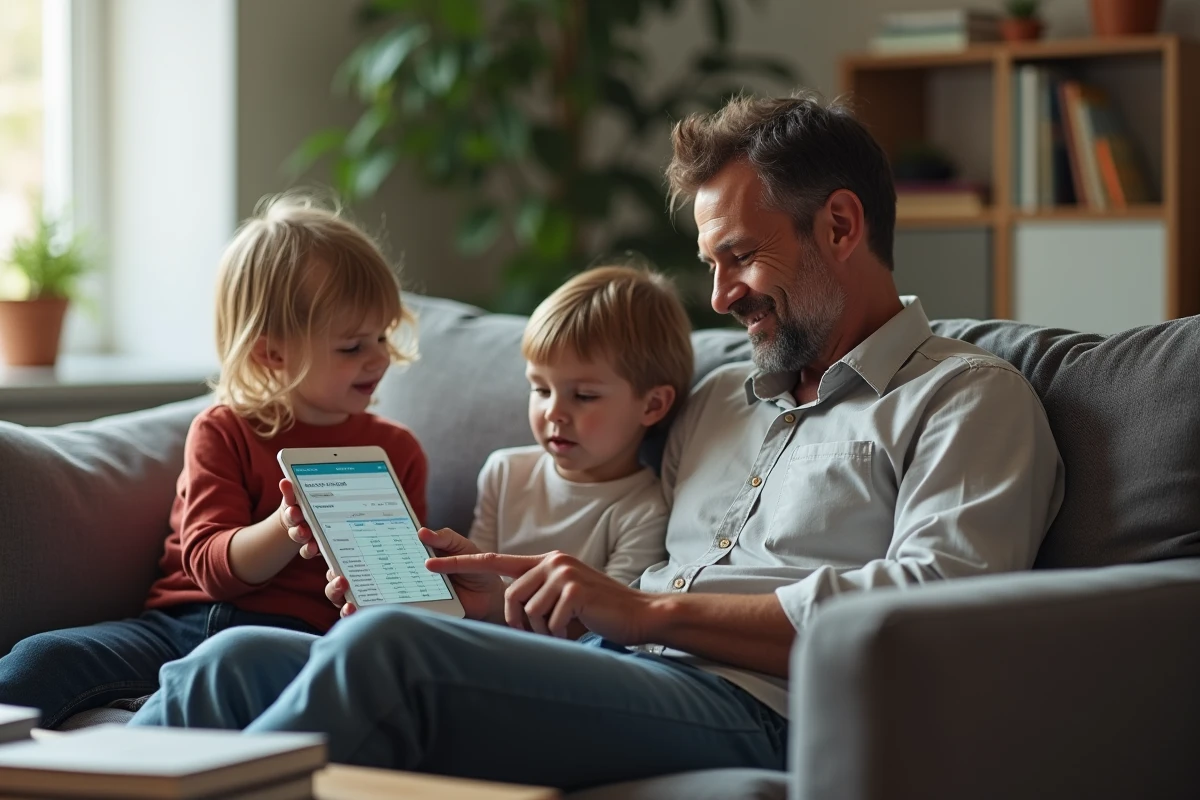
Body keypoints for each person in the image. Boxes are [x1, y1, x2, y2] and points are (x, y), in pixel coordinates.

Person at [129, 92, 1065, 792]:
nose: (721, 296)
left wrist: (647, 616)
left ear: (842, 224)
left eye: (739, 256)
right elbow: (598, 515)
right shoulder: (715, 399)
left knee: (387, 656)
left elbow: (934, 615)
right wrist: (487, 579)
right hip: (618, 670)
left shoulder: (967, 401)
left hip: (764, 708)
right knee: (235, 658)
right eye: (710, 264)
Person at [0, 193, 427, 728]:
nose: (379, 357)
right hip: (184, 624)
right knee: (45, 657)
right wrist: (286, 526)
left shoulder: (397, 450)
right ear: (272, 354)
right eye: (352, 346)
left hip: (301, 642)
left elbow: (400, 592)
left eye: (383, 335)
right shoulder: (224, 429)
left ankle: (153, 717)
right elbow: (211, 567)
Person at [464, 265, 692, 586]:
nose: (553, 412)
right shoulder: (503, 473)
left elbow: (607, 626)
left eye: (584, 396)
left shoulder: (644, 512)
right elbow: (474, 583)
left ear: (652, 405)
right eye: (541, 390)